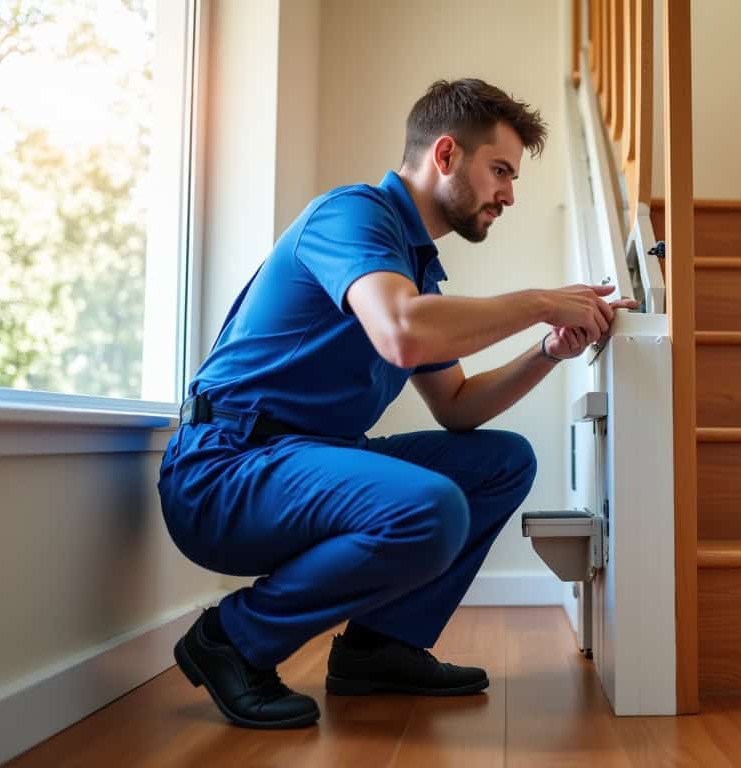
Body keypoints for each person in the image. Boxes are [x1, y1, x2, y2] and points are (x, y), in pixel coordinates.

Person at [157, 78, 637, 729]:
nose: (509, 194)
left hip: (302, 461)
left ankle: (379, 648)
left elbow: (459, 407)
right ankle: (232, 639)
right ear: (445, 155)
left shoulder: (411, 264)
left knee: (501, 461)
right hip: (224, 470)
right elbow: (402, 332)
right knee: (428, 507)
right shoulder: (352, 216)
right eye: (500, 170)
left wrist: (547, 350)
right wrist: (540, 300)